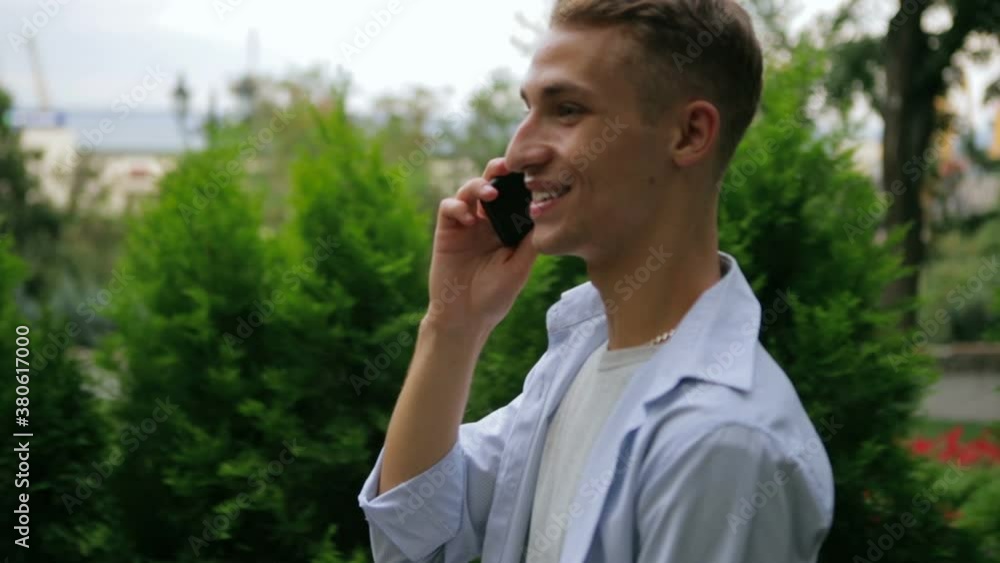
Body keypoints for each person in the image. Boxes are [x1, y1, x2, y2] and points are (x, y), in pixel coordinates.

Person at [357, 0, 834, 561]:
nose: (518, 151)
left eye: (568, 110)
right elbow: (415, 536)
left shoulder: (724, 443)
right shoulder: (579, 361)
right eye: (529, 108)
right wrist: (452, 321)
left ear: (689, 133)